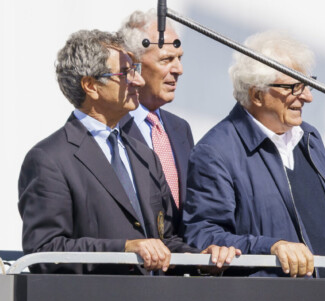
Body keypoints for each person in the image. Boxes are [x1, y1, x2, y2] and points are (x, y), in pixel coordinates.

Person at [18, 30, 238, 275]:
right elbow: (45, 250)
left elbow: (164, 240)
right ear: (91, 86)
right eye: (125, 73)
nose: (138, 81)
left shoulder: (144, 155)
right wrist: (125, 249)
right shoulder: (50, 159)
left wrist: (200, 259)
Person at [184, 31, 325, 278]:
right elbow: (203, 235)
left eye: (307, 84)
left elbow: (314, 216)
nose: (307, 97)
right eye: (294, 86)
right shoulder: (216, 151)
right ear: (257, 95)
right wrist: (271, 248)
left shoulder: (309, 139)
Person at [118, 10, 193, 234]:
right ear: (133, 64)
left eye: (179, 58)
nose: (178, 69)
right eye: (166, 59)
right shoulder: (112, 127)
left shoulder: (180, 129)